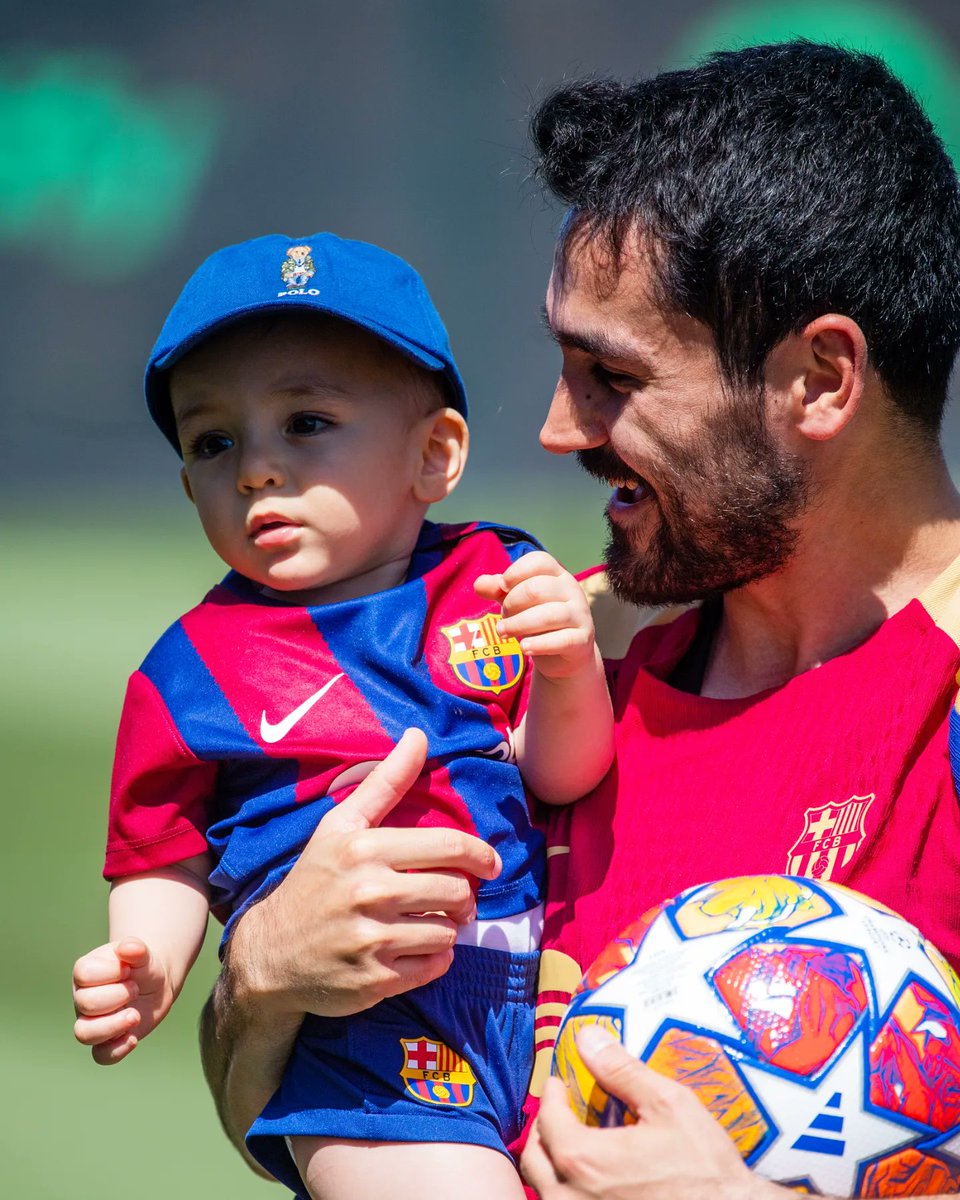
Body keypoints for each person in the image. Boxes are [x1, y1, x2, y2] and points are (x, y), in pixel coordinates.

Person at [197, 41, 960, 1200]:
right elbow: (309, 1094)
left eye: (612, 376)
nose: (558, 428)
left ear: (819, 378)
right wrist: (261, 973)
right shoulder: (530, 658)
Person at [70, 232, 615, 1200]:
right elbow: (164, 855)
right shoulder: (186, 672)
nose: (255, 470)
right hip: (361, 1030)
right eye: (213, 441)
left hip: (532, 999)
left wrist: (569, 667)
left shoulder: (494, 576)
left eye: (307, 421)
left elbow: (559, 772)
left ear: (435, 454)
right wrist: (145, 961)